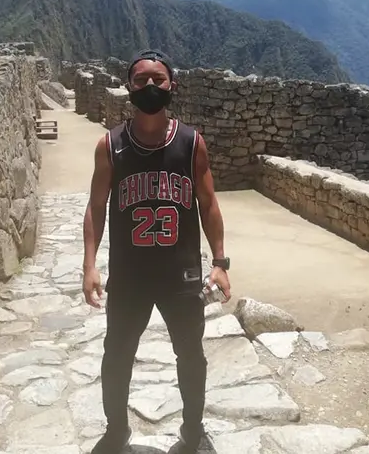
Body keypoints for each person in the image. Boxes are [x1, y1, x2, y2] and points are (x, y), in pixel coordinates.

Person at [82, 49, 232, 454]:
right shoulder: (110, 146)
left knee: (191, 355)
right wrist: (89, 265)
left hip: (180, 274)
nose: (150, 86)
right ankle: (116, 433)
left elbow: (208, 204)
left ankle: (192, 431)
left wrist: (219, 263)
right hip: (130, 274)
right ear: (129, 86)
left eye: (158, 80)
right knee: (117, 354)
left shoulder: (191, 143)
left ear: (172, 86)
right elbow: (96, 207)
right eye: (141, 80)